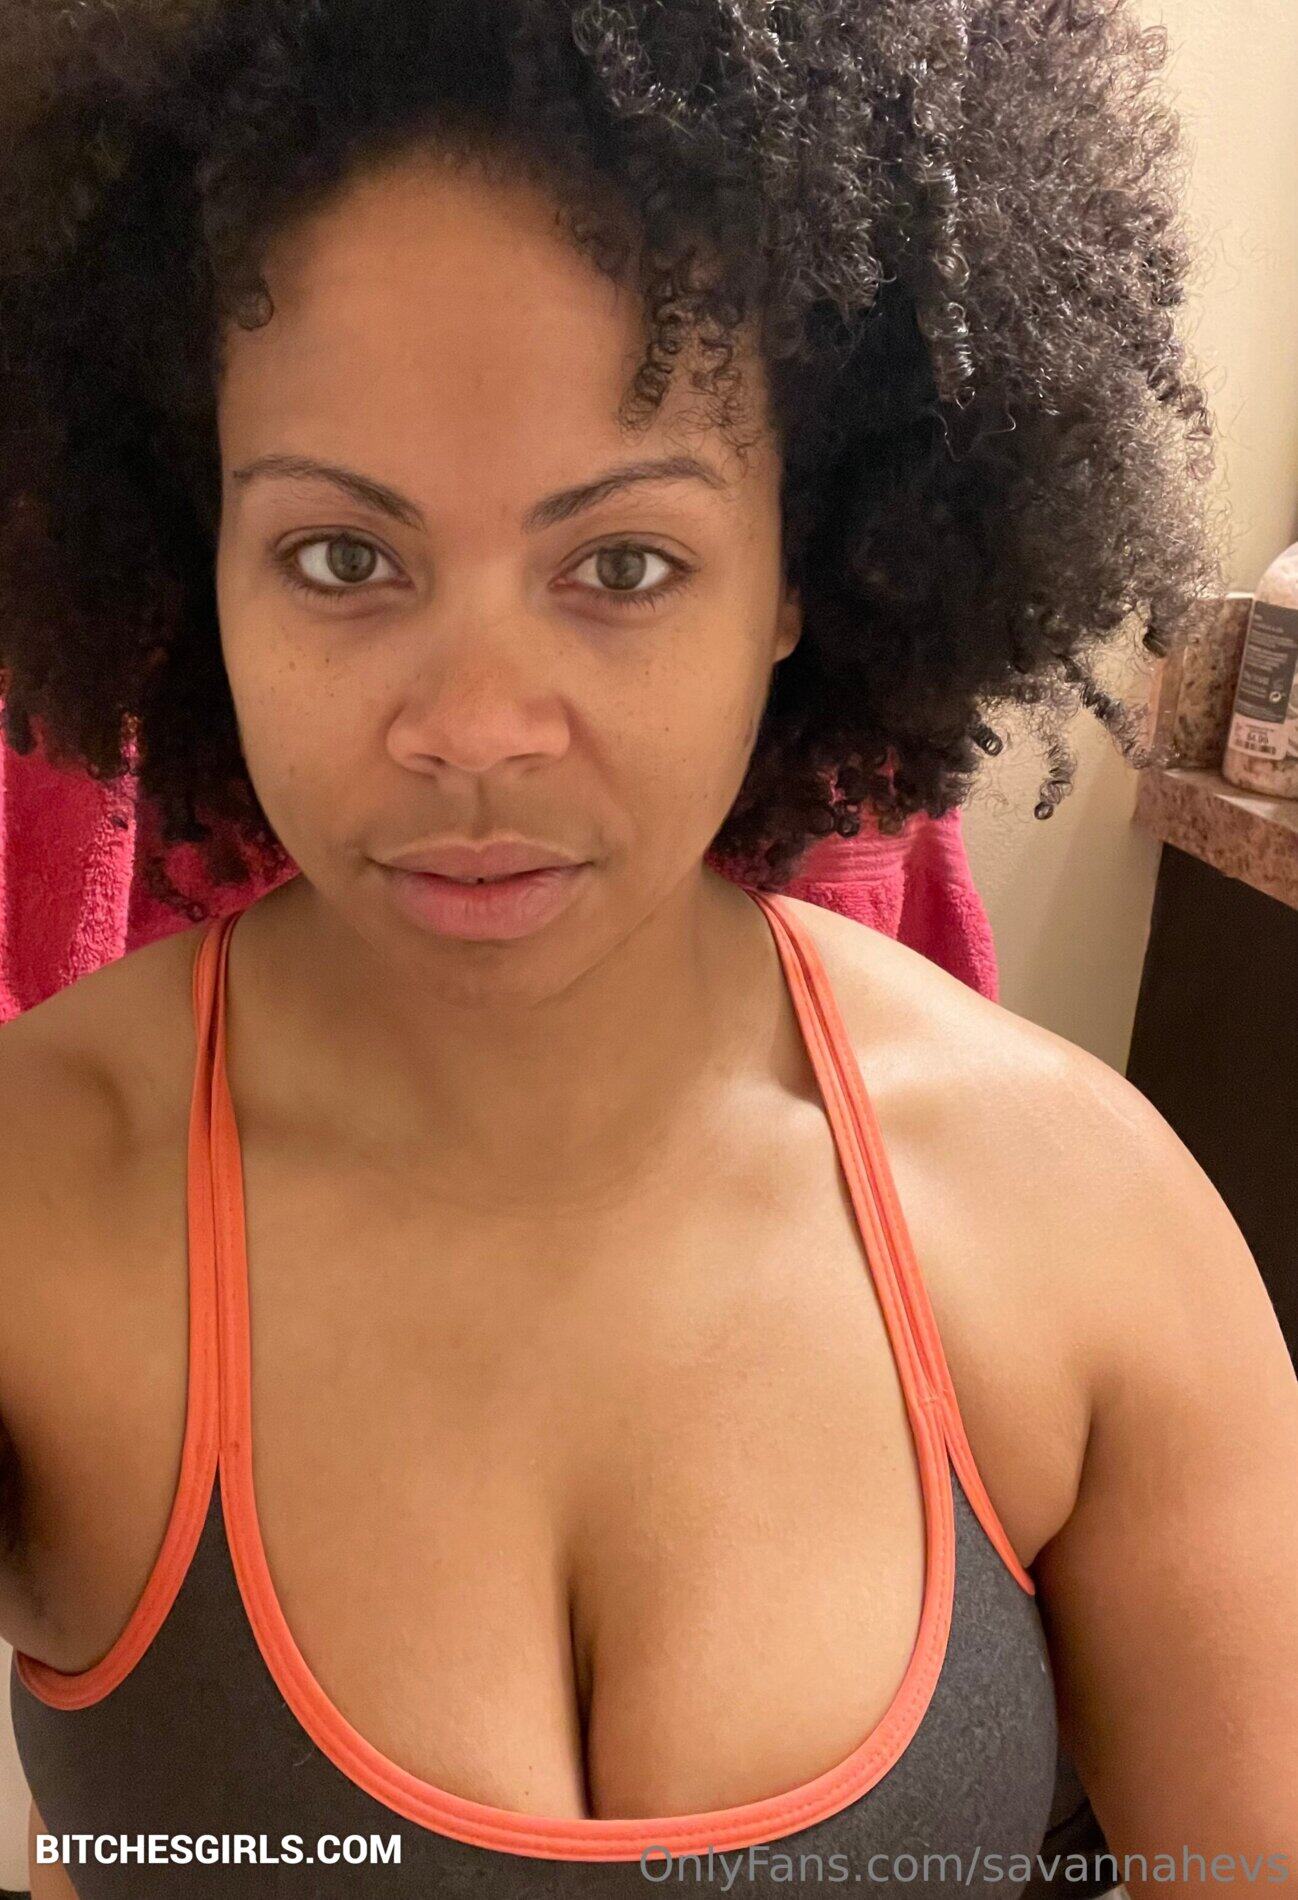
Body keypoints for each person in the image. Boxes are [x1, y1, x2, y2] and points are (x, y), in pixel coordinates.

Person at [0, 2, 1294, 1896]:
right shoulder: (36, 1193)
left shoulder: (1084, 1223)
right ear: (196, 558)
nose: (474, 727)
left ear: (797, 574)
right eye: (342, 557)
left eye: (620, 564)